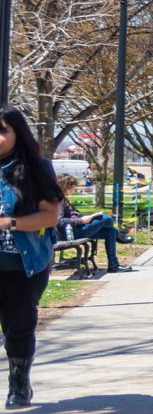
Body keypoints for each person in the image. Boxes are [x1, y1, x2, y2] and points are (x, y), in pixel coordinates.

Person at [0, 106, 66, 408]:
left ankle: (18, 386)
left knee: (18, 326)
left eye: (2, 131)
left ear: (18, 134)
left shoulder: (37, 167)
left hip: (21, 264)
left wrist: (9, 223)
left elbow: (50, 216)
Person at [53, 176, 136, 273]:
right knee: (107, 218)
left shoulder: (63, 198)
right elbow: (58, 221)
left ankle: (113, 265)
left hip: (77, 228)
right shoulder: (59, 200)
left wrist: (89, 217)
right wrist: (81, 221)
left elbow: (72, 215)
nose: (74, 189)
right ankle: (120, 235)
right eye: (72, 186)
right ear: (65, 186)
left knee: (110, 231)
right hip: (70, 233)